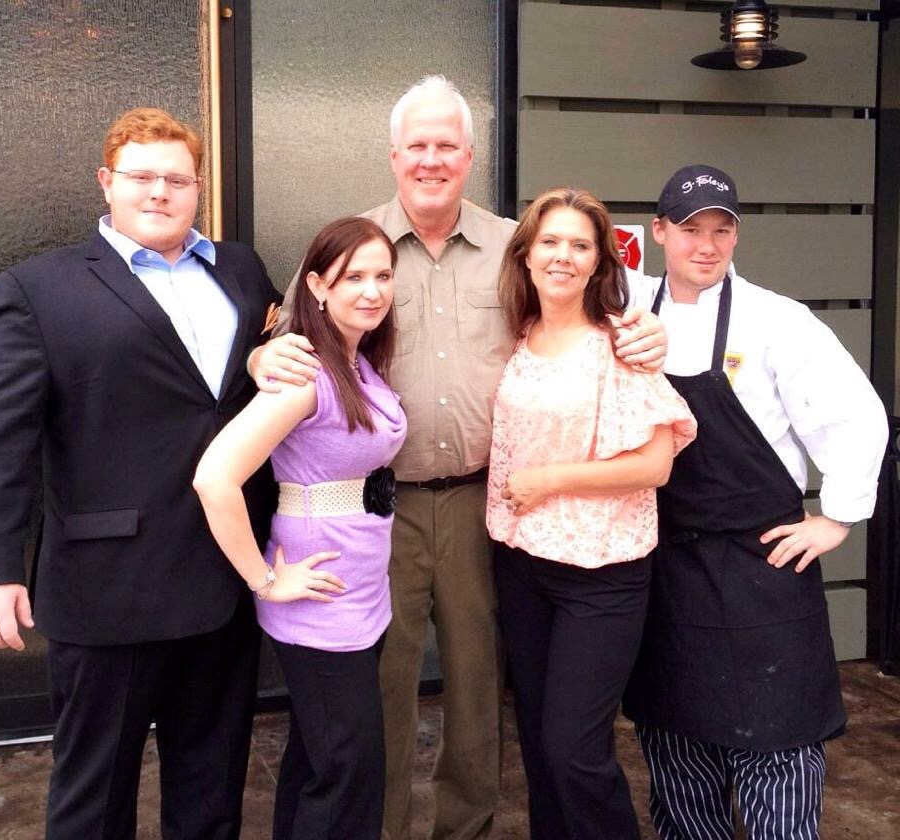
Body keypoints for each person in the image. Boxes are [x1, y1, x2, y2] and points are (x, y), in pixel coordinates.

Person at [251, 76, 668, 840]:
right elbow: (291, 335)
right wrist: (259, 359)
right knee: (384, 682)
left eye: (447, 145)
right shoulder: (357, 245)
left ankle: (465, 827)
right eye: (417, 145)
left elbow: (595, 294)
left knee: (478, 683)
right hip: (382, 506)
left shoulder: (516, 245)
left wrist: (649, 328)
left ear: (470, 157)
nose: (432, 159)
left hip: (487, 505)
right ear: (393, 155)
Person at [0, 107, 282, 839]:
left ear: (198, 187)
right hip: (108, 587)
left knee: (212, 787)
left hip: (225, 576)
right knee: (94, 798)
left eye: (177, 179)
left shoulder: (241, 269)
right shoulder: (39, 288)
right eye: (141, 176)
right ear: (107, 181)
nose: (159, 191)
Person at [622, 164, 889, 840]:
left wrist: (837, 517)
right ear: (659, 232)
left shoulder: (778, 320)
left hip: (762, 567)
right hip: (667, 567)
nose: (707, 245)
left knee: (781, 742)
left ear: (737, 236)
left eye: (722, 230)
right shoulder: (628, 311)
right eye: (691, 229)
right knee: (677, 741)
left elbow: (857, 415)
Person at [486, 188, 696, 839]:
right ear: (525, 255)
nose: (563, 256)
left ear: (601, 261)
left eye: (580, 245)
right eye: (549, 241)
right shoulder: (517, 336)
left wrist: (550, 480)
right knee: (538, 742)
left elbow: (655, 464)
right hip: (522, 563)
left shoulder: (620, 346)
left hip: (600, 574)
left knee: (574, 749)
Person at [194, 216, 407, 840]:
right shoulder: (305, 373)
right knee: (348, 772)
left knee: (321, 761)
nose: (372, 291)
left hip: (360, 588)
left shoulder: (358, 360)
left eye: (383, 276)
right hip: (320, 599)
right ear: (316, 285)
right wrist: (264, 580)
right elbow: (215, 478)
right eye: (353, 277)